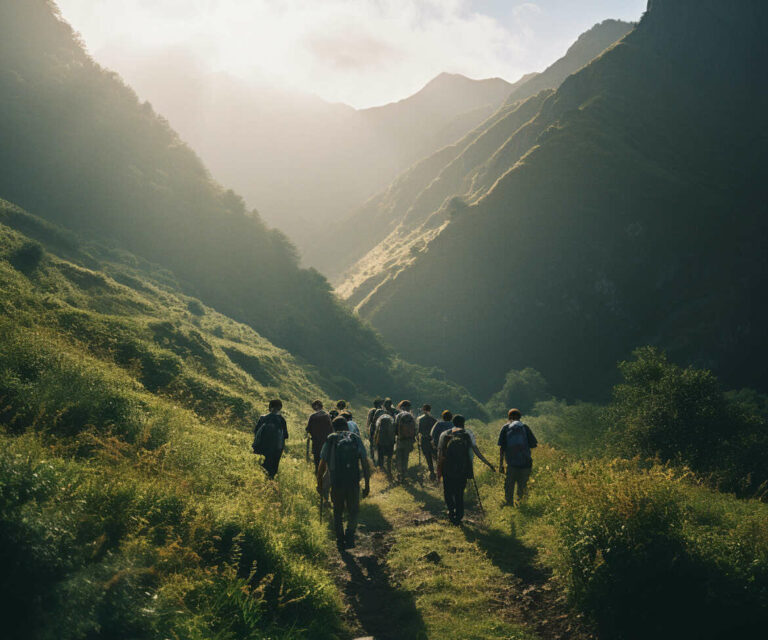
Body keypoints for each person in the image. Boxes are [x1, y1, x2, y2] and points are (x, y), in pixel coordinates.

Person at [317, 415, 371, 552]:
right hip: (353, 481)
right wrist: (367, 484)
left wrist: (320, 483)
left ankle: (340, 539)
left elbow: (322, 464)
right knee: (353, 510)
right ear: (347, 426)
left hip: (336, 482)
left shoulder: (331, 439)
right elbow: (365, 463)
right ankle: (350, 534)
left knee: (337, 511)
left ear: (333, 427)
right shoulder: (355, 438)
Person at [436, 414, 473, 524]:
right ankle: (459, 515)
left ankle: (451, 512)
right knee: (459, 492)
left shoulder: (445, 434)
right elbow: (470, 454)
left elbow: (440, 453)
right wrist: (469, 469)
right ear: (463, 423)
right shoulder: (466, 435)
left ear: (453, 422)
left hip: (447, 467)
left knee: (448, 491)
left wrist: (439, 470)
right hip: (462, 468)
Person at [498, 408, 538, 506]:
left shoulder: (506, 428)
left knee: (509, 486)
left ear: (509, 417)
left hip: (511, 464)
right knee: (523, 486)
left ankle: (509, 505)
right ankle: (521, 506)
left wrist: (501, 464)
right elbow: (534, 444)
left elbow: (502, 448)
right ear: (520, 417)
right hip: (526, 463)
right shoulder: (525, 427)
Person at [252, 399, 288, 479]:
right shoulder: (282, 420)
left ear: (270, 407)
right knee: (272, 470)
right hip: (277, 449)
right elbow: (285, 436)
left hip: (262, 447)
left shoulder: (263, 418)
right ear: (280, 408)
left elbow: (256, 432)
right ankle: (270, 483)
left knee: (261, 467)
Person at [306, 400, 333, 472]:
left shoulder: (312, 417)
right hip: (325, 442)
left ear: (315, 407)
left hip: (316, 442)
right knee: (325, 459)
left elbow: (308, 429)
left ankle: (317, 474)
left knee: (317, 460)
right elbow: (331, 429)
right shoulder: (327, 416)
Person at [394, 400, 417, 482]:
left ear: (401, 407)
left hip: (400, 440)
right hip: (409, 440)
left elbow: (395, 428)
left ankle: (399, 475)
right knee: (405, 457)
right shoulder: (411, 416)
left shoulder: (398, 415)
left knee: (399, 457)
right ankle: (405, 473)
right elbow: (415, 429)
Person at [417, 404, 438, 480]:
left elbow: (418, 431)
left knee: (428, 457)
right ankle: (438, 473)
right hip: (432, 441)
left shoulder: (420, 419)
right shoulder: (434, 420)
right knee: (435, 457)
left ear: (423, 409)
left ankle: (432, 473)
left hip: (424, 440)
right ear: (430, 410)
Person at [374, 409, 396, 476]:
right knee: (389, 457)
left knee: (381, 457)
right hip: (389, 442)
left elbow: (376, 433)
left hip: (380, 442)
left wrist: (375, 442)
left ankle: (381, 472)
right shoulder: (391, 420)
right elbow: (393, 433)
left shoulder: (379, 421)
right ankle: (389, 471)